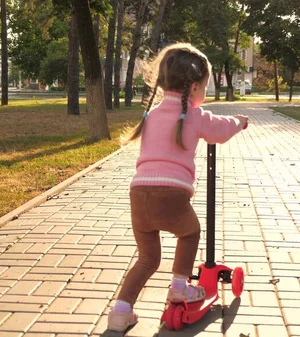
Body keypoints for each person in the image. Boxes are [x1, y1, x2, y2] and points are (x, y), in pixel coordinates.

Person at [107, 43, 249, 332]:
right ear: (194, 87)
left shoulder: (153, 114)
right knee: (190, 232)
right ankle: (179, 287)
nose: (205, 93)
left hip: (139, 194)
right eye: (205, 87)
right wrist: (240, 122)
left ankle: (120, 312)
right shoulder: (194, 115)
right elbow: (220, 130)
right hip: (170, 195)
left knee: (147, 259)